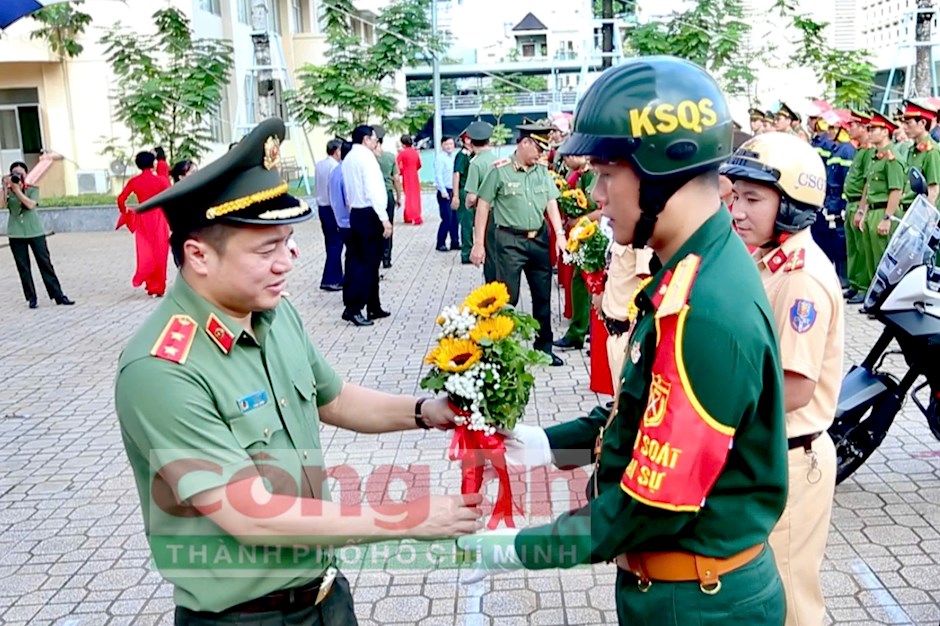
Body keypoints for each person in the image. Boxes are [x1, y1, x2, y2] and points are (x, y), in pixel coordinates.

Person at [458, 56, 788, 626]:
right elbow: (644, 412)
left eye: (608, 173)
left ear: (663, 169)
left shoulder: (704, 308)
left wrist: (521, 549)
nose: (595, 192)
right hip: (679, 592)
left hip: (696, 604)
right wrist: (545, 443)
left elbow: (652, 505)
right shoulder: (690, 268)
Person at [115, 117, 482, 626]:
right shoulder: (162, 370)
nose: (289, 261)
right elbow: (250, 513)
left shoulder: (272, 312)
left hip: (324, 597)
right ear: (198, 256)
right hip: (246, 618)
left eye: (288, 241)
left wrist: (424, 411)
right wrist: (407, 518)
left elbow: (333, 398)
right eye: (267, 249)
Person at [723, 131, 844, 626]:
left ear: (792, 206)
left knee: (790, 595)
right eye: (735, 196)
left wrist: (713, 412)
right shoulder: (767, 259)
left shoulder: (799, 278)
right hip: (767, 451)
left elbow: (795, 388)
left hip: (791, 457)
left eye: (753, 199)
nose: (737, 211)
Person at [470, 123, 568, 367]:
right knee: (508, 297)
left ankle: (544, 347)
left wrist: (560, 233)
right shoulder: (499, 171)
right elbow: (483, 205)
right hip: (509, 241)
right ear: (524, 143)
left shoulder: (541, 171)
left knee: (542, 296)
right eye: (538, 148)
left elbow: (551, 202)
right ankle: (503, 349)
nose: (542, 154)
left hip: (538, 240)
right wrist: (478, 244)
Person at [2, 161, 74, 309]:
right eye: (14, 173)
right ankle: (31, 297)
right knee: (23, 267)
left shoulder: (32, 189)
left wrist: (18, 190)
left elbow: (30, 205)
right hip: (16, 233)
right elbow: (1, 205)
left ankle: (58, 295)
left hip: (35, 232)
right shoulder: (8, 191)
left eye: (20, 174)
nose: (18, 176)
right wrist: (4, 187)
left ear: (25, 175)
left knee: (45, 263)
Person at [342, 125, 391, 327]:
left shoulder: (349, 158)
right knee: (365, 262)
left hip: (357, 212)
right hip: (369, 213)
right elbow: (374, 190)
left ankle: (373, 305)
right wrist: (384, 218)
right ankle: (354, 308)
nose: (375, 142)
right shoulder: (366, 158)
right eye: (373, 139)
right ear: (365, 139)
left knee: (364, 261)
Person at [856, 112, 905, 290]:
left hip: (885, 211)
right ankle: (874, 297)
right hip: (873, 210)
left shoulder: (892, 158)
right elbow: (868, 188)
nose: (869, 132)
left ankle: (884, 299)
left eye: (873, 128)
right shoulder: (876, 157)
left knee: (883, 259)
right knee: (871, 259)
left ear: (885, 132)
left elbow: (896, 190)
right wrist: (862, 212)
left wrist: (887, 218)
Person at [117, 151, 173, 297]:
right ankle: (159, 286)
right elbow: (171, 197)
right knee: (160, 251)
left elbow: (121, 199)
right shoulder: (161, 181)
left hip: (143, 218)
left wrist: (126, 212)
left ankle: (151, 285)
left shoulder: (134, 181)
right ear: (153, 163)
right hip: (159, 218)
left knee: (146, 252)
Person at [814, 112, 855, 291]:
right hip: (831, 201)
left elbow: (847, 180)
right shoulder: (835, 149)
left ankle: (844, 277)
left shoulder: (846, 150)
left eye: (833, 128)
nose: (829, 131)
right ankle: (838, 276)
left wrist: (843, 205)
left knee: (841, 241)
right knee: (833, 239)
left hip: (839, 201)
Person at [843, 110, 874, 304]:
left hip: (858, 203)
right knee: (852, 247)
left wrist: (862, 209)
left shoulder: (869, 151)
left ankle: (863, 286)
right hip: (850, 202)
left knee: (862, 249)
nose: (849, 128)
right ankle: (854, 283)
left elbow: (866, 183)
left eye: (853, 125)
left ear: (863, 128)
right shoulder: (860, 150)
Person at [463, 121, 498, 277]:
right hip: (501, 213)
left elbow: (471, 197)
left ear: (470, 142)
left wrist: (467, 204)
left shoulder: (475, 164)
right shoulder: (498, 160)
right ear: (489, 140)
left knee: (488, 253)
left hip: (485, 214)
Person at [315, 139, 344, 291]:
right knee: (336, 243)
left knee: (330, 242)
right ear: (336, 151)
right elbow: (333, 190)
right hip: (332, 207)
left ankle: (336, 275)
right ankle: (330, 278)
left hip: (322, 206)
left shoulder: (319, 165)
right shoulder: (335, 167)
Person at [900, 99, 940, 207]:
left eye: (908, 123)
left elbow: (933, 190)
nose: (904, 127)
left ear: (922, 123)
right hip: (905, 211)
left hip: (918, 212)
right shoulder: (912, 150)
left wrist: (927, 218)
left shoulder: (931, 152)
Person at [373, 125, 402, 269]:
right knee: (388, 226)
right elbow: (396, 178)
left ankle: (376, 256)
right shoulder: (390, 157)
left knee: (374, 227)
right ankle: (387, 258)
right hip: (388, 194)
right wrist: (399, 196)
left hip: (373, 196)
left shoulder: (369, 158)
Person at [329, 141, 354, 285]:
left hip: (339, 218)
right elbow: (349, 201)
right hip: (349, 220)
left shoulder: (335, 171)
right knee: (354, 255)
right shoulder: (346, 172)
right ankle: (352, 284)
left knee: (349, 253)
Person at [434, 136, 459, 251]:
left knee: (455, 218)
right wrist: (443, 191)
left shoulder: (454, 157)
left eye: (451, 144)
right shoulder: (440, 158)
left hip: (454, 190)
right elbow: (438, 176)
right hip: (445, 191)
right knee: (447, 218)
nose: (449, 146)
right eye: (446, 144)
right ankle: (440, 243)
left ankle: (455, 241)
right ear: (442, 145)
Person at [453, 129, 474, 263]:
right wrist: (455, 195)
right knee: (466, 224)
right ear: (466, 140)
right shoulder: (462, 155)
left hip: (473, 191)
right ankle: (466, 254)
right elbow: (456, 175)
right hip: (464, 191)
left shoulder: (471, 155)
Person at [397, 134, 423, 225]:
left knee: (408, 196)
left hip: (406, 175)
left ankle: (410, 216)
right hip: (414, 175)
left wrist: (401, 171)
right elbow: (419, 165)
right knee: (415, 196)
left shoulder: (402, 153)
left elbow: (396, 164)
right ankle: (416, 216)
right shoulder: (415, 152)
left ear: (403, 144)